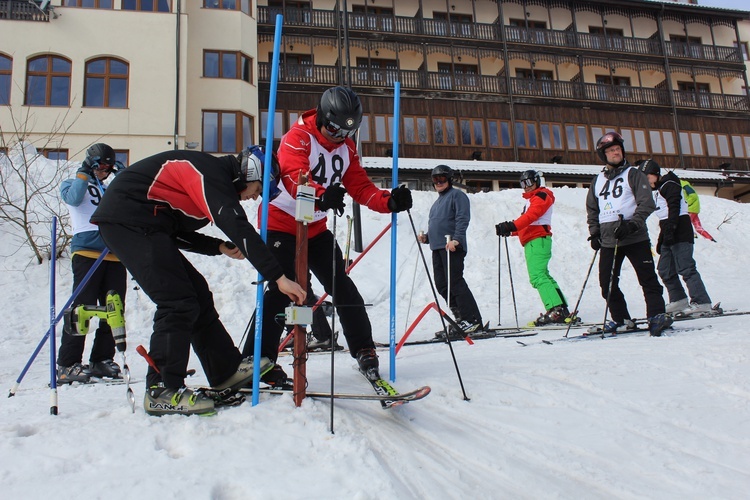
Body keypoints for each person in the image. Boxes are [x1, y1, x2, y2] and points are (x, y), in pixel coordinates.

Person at [91, 146, 306, 416]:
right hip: (127, 221)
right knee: (176, 299)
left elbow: (174, 230)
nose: (254, 198)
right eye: (258, 188)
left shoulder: (211, 181)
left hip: (146, 224)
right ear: (249, 171)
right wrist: (279, 277)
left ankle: (226, 372)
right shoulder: (210, 172)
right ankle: (162, 390)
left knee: (197, 294)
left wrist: (217, 247)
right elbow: (235, 223)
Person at [242, 86, 413, 384]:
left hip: (315, 228)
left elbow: (361, 187)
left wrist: (389, 201)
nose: (339, 137)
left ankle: (364, 348)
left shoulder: (346, 148)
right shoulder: (299, 137)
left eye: (347, 132)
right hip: (282, 221)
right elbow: (294, 177)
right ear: (322, 117)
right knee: (282, 289)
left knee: (343, 286)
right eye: (334, 130)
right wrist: (320, 197)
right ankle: (257, 359)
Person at [586, 132, 672, 336]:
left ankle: (656, 315)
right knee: (606, 282)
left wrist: (632, 224)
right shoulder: (597, 181)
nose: (615, 153)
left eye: (618, 149)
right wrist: (595, 233)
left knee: (647, 279)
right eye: (611, 151)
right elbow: (592, 209)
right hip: (609, 240)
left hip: (634, 237)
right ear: (603, 155)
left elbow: (647, 203)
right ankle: (621, 318)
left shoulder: (633, 174)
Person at [57, 143, 127, 384]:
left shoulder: (109, 189)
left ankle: (101, 359)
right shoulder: (73, 183)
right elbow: (74, 199)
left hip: (113, 253)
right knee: (82, 308)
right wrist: (83, 172)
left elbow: (126, 208)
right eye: (100, 166)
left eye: (108, 167)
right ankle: (68, 363)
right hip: (87, 252)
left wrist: (122, 178)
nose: (104, 171)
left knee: (114, 308)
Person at [638, 159, 713, 315]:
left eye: (647, 177)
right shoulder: (658, 190)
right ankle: (678, 300)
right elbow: (664, 217)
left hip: (681, 229)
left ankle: (702, 302)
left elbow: (674, 206)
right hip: (669, 230)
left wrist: (672, 229)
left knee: (686, 267)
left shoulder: (669, 184)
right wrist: (662, 237)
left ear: (655, 174)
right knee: (665, 269)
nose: (645, 181)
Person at [495, 170, 570, 326]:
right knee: (543, 275)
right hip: (533, 240)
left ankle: (556, 310)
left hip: (538, 240)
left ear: (537, 181)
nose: (526, 187)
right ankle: (560, 308)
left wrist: (511, 225)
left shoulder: (541, 196)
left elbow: (531, 217)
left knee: (537, 277)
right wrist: (511, 230)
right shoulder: (532, 199)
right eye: (523, 183)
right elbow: (528, 223)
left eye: (529, 182)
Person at [418, 164, 483, 338]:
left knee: (455, 282)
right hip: (437, 247)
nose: (438, 182)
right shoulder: (437, 203)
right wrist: (427, 238)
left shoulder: (458, 196)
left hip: (451, 246)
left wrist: (457, 239)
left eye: (442, 179)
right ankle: (461, 318)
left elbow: (462, 219)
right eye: (435, 179)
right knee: (442, 285)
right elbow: (438, 224)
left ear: (449, 179)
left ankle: (472, 320)